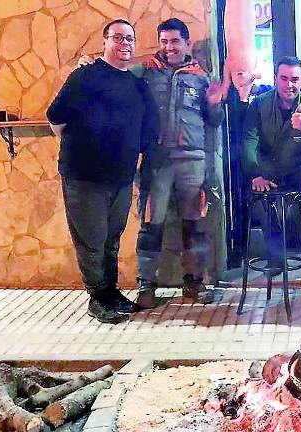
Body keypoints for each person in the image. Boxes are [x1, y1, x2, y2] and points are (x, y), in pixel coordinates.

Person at [47, 19, 159, 323]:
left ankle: (111, 292)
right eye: (119, 38)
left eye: (130, 39)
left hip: (121, 177)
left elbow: (148, 129)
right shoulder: (85, 77)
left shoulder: (136, 85)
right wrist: (82, 148)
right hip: (84, 177)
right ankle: (97, 297)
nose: (125, 44)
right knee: (91, 239)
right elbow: (55, 117)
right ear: (105, 41)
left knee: (112, 238)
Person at [130, 18, 224, 308]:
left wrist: (213, 104)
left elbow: (214, 122)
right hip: (156, 161)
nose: (169, 47)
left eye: (174, 41)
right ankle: (146, 285)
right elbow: (114, 76)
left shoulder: (201, 77)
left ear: (186, 43)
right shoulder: (144, 72)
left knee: (195, 225)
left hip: (193, 161)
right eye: (164, 41)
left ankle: (194, 284)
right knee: (151, 224)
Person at [241, 56, 301, 302]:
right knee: (267, 212)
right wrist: (255, 174)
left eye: (295, 79)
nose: (289, 84)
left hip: (295, 174)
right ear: (276, 79)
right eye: (284, 78)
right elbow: (249, 141)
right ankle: (275, 259)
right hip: (265, 174)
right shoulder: (259, 104)